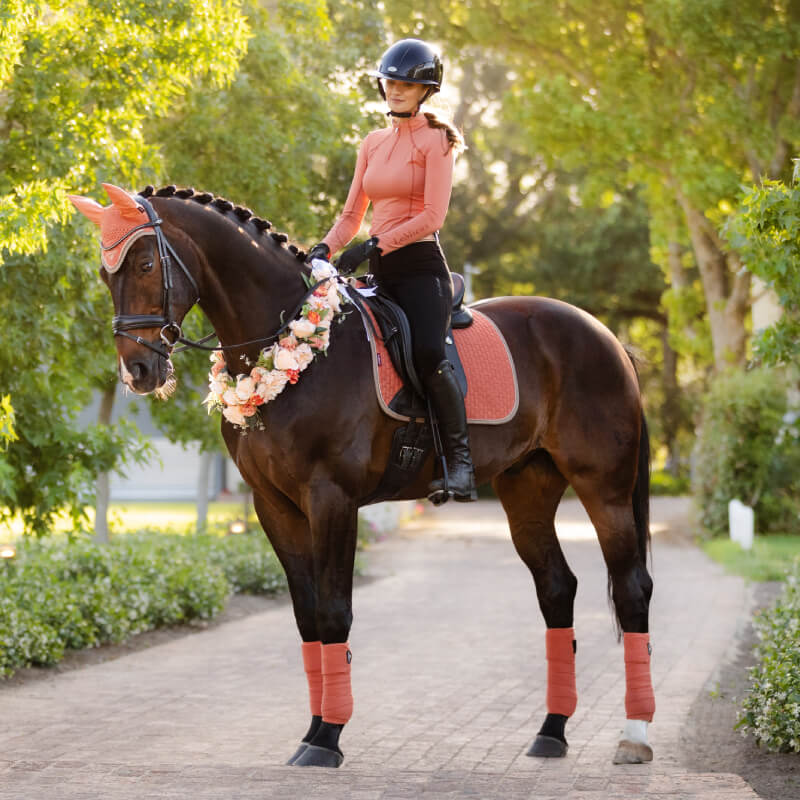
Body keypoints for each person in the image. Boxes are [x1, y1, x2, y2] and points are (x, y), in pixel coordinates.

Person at [306, 38, 476, 503]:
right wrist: (321, 248)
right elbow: (350, 215)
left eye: (407, 84)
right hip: (379, 271)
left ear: (425, 91)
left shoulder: (437, 140)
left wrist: (373, 244)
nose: (397, 89)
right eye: (391, 82)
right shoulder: (373, 143)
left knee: (425, 353)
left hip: (421, 270)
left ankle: (459, 463)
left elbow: (432, 217)